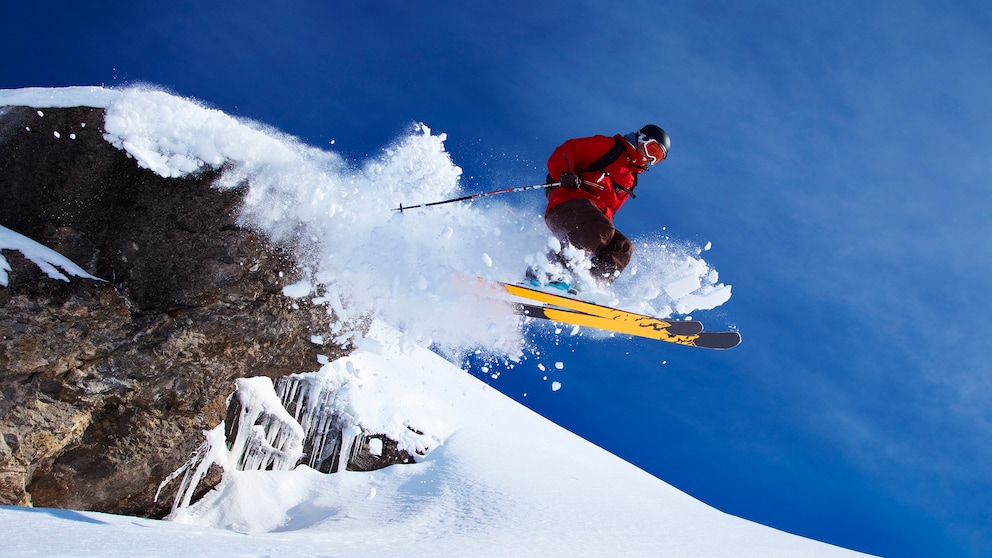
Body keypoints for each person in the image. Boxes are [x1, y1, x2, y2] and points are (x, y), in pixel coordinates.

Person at [531, 124, 671, 288]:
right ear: (642, 139)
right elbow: (567, 150)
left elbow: (610, 212)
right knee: (602, 229)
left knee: (622, 246)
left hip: (592, 221)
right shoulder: (610, 147)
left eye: (657, 158)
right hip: (567, 203)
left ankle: (589, 286)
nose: (650, 159)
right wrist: (564, 173)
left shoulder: (631, 180)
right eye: (652, 150)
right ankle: (546, 271)